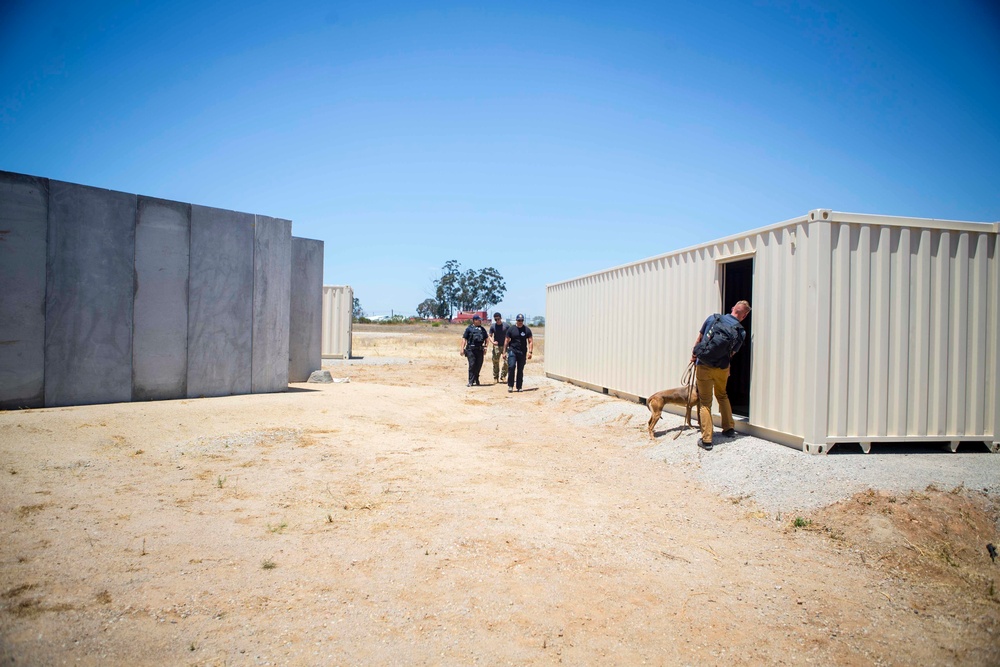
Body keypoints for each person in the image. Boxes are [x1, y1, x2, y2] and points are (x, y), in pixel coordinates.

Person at [691, 300, 751, 450]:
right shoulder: (740, 331)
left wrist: (694, 356)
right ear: (744, 316)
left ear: (732, 308)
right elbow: (731, 353)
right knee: (722, 395)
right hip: (722, 368)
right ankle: (729, 429)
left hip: (703, 364)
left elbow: (699, 339)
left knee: (705, 402)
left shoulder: (713, 318)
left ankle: (706, 440)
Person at [505, 314, 533, 393]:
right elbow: (506, 340)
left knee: (520, 369)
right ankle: (510, 385)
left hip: (522, 352)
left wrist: (530, 352)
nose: (520, 322)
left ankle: (519, 386)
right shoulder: (511, 329)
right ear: (516, 320)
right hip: (512, 350)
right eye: (519, 320)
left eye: (521, 320)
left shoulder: (527, 330)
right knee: (511, 366)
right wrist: (504, 352)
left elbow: (530, 341)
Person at [460, 314, 489, 387]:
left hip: (480, 350)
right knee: (472, 365)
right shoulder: (469, 328)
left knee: (479, 365)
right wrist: (462, 349)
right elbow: (464, 339)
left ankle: (476, 378)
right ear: (474, 320)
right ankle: (470, 381)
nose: (480, 321)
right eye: (479, 320)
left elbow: (487, 339)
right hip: (470, 350)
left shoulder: (482, 329)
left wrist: (485, 347)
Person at [488, 312, 508, 384]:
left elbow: (510, 335)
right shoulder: (493, 326)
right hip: (496, 346)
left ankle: (503, 376)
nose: (497, 320)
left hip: (505, 346)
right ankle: (495, 377)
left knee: (507, 361)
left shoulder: (506, 326)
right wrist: (493, 342)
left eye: (498, 319)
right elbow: (489, 335)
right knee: (495, 362)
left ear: (501, 318)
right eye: (495, 319)